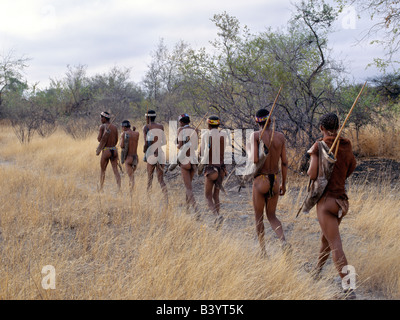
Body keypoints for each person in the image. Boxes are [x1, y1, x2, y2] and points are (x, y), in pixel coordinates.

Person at [306, 112, 357, 299]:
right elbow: (352, 166)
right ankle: (316, 271)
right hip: (342, 202)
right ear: (338, 127)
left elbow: (312, 174)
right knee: (326, 239)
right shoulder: (346, 144)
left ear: (322, 128)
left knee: (335, 244)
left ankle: (349, 288)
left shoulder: (320, 146)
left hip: (326, 202)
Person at [251, 108, 288, 256]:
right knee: (272, 216)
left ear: (256, 121)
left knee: (258, 217)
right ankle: (283, 241)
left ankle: (263, 251)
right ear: (270, 121)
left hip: (261, 180)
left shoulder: (255, 136)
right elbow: (284, 163)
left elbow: (254, 160)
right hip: (275, 180)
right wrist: (283, 184)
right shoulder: (280, 137)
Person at [199, 115, 227, 229]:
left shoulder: (206, 135)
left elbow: (201, 152)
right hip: (221, 169)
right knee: (216, 195)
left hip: (211, 169)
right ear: (218, 124)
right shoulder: (223, 135)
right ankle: (218, 220)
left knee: (207, 196)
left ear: (208, 124)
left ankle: (216, 216)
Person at [176, 114, 200, 216]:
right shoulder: (195, 130)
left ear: (181, 122)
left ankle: (196, 210)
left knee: (188, 188)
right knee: (189, 185)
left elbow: (179, 146)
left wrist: (179, 145)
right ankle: (187, 208)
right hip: (193, 159)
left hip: (185, 160)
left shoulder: (180, 130)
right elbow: (195, 147)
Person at [142, 110, 168, 201]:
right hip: (160, 153)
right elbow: (164, 142)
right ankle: (166, 199)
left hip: (151, 154)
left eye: (146, 117)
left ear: (148, 118)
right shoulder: (161, 126)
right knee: (161, 180)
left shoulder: (146, 127)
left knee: (150, 179)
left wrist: (144, 150)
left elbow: (146, 143)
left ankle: (148, 199)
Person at [97, 111, 121, 192]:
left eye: (101, 117)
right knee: (116, 170)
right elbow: (117, 139)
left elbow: (99, 139)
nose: (100, 119)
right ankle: (119, 189)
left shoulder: (102, 126)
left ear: (104, 118)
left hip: (106, 150)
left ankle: (101, 188)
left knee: (103, 170)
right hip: (114, 150)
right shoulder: (114, 127)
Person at [120, 120, 139, 192]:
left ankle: (131, 193)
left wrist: (121, 137)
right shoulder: (137, 133)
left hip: (128, 158)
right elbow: (133, 140)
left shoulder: (124, 134)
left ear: (124, 127)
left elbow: (122, 146)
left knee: (131, 177)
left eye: (122, 127)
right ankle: (131, 191)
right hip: (135, 158)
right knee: (132, 175)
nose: (122, 128)